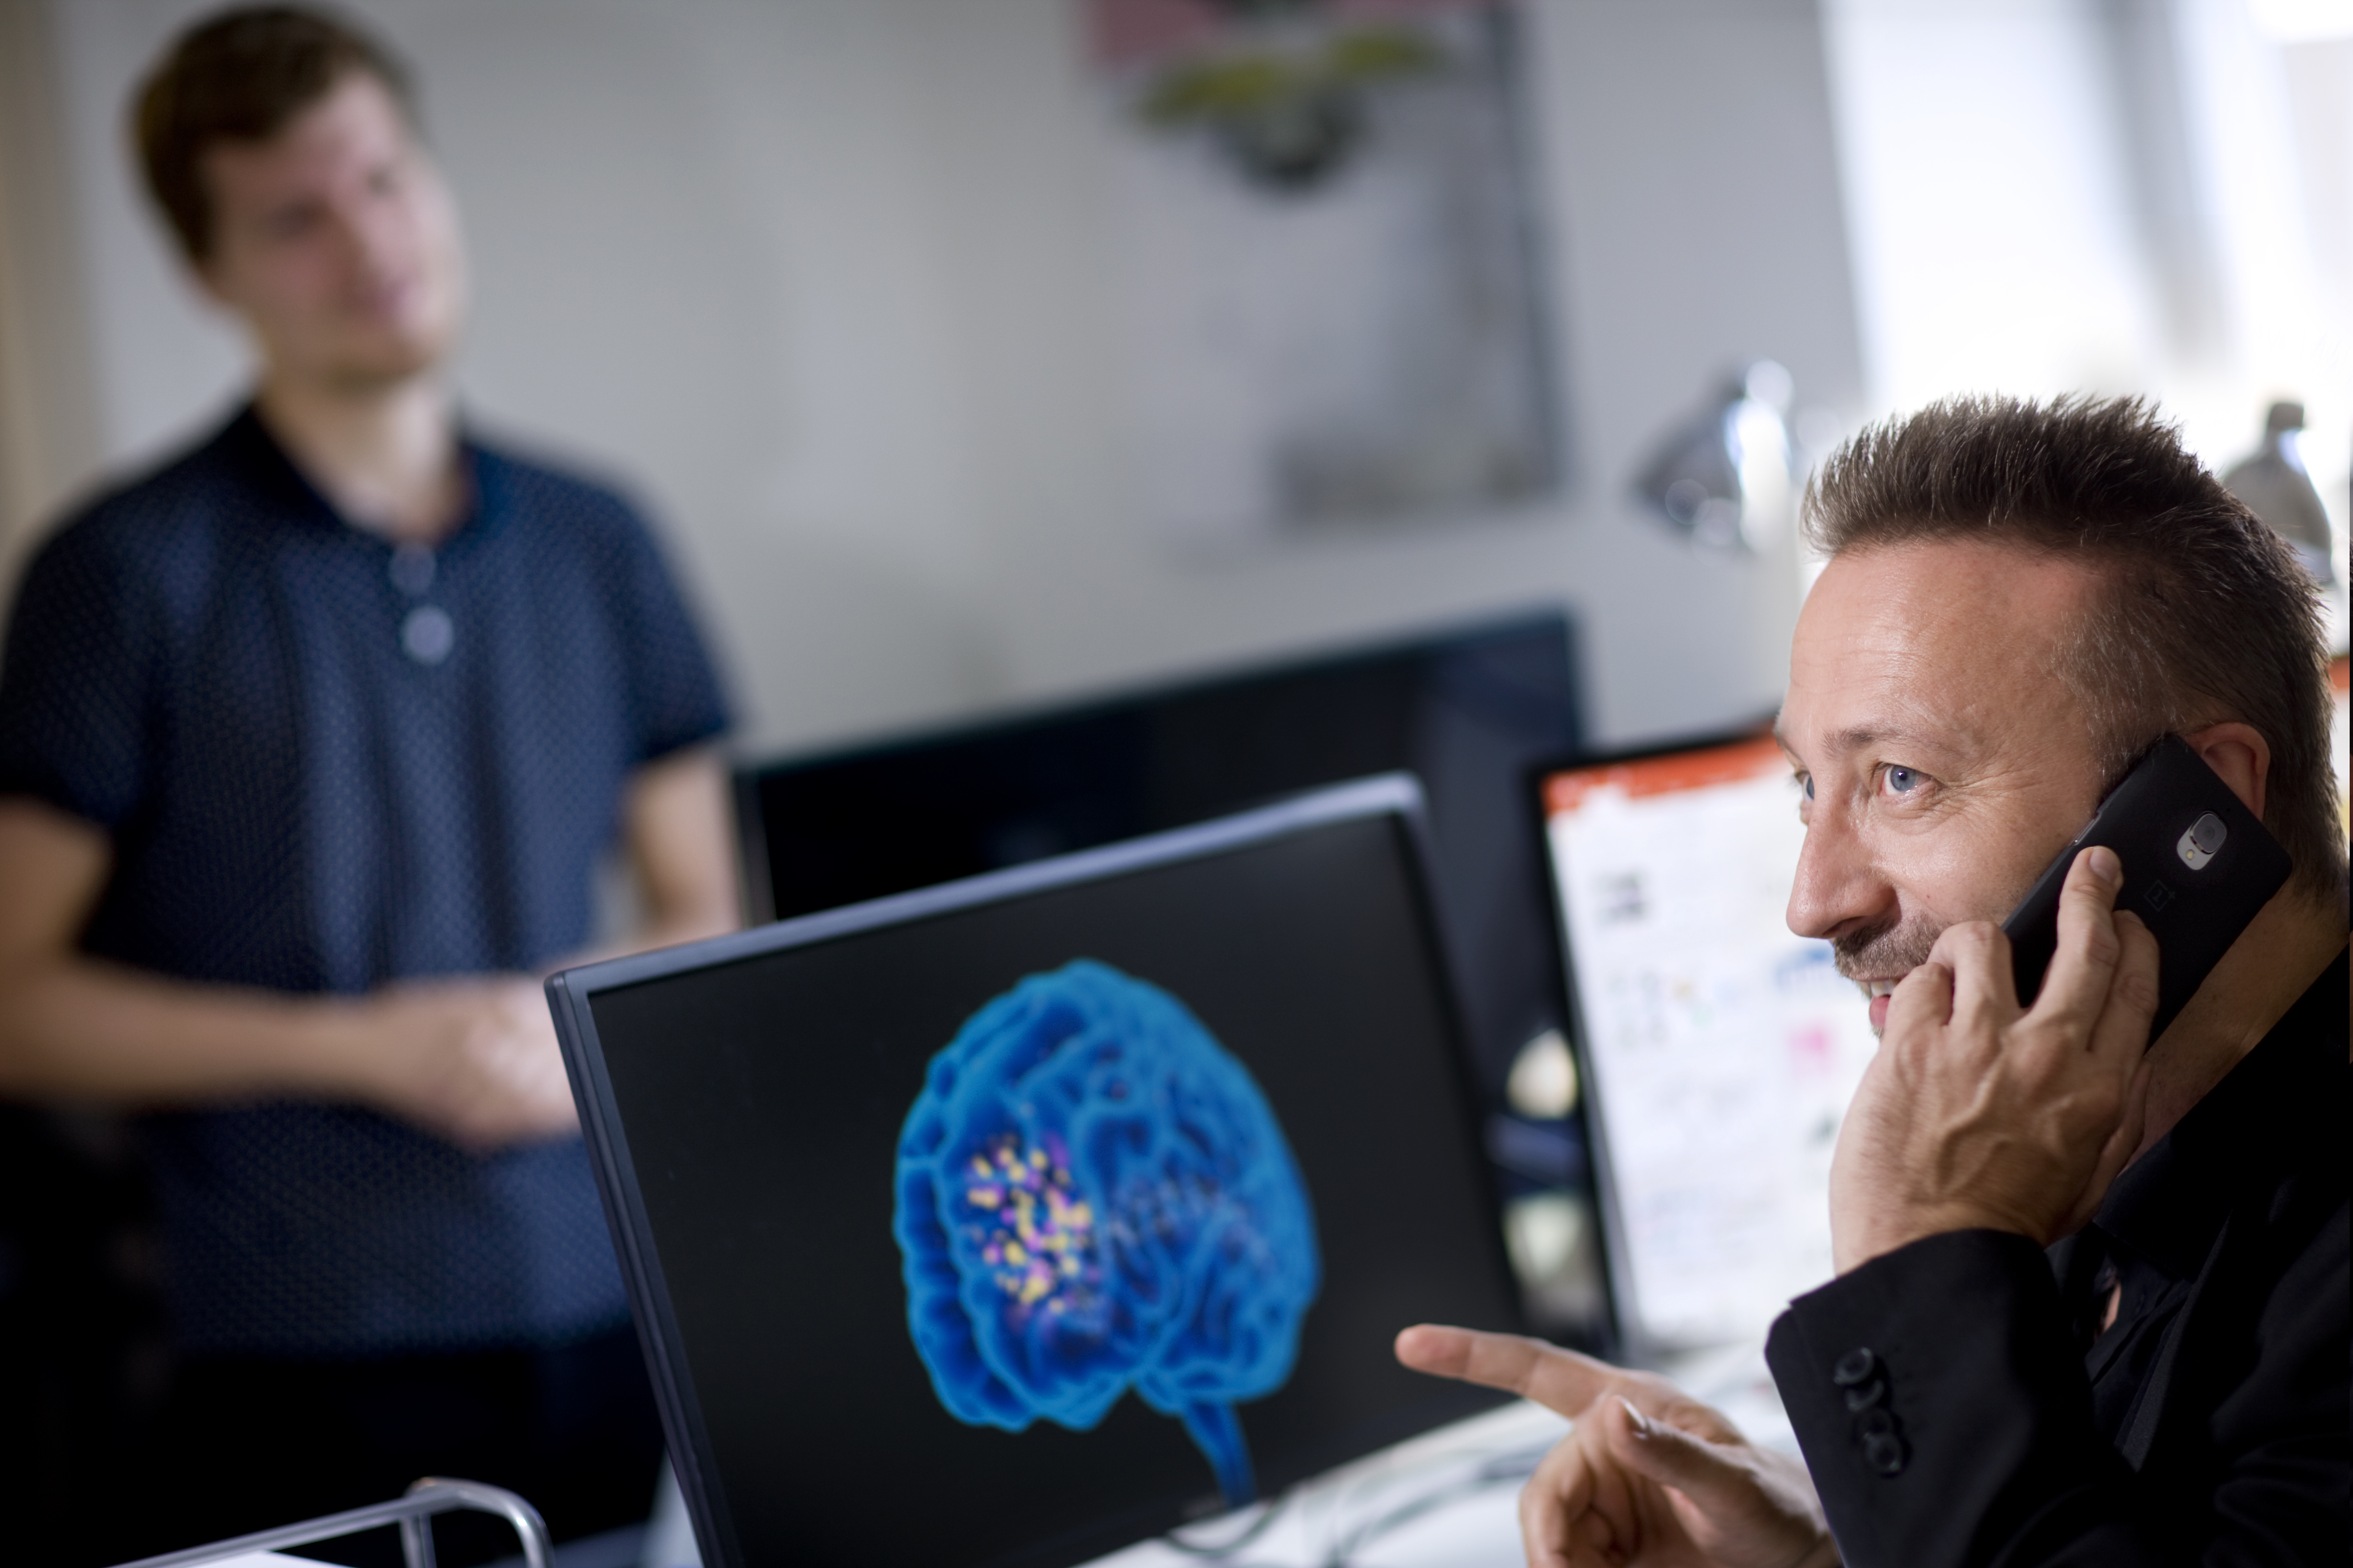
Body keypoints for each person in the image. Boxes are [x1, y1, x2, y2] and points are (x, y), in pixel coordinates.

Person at [0, 6, 737, 1553]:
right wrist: (360, 1047)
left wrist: (565, 1013)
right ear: (211, 272)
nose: (369, 244)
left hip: (620, 1303)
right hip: (293, 1345)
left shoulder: (600, 540)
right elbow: (17, 1001)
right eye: (294, 218)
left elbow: (702, 902)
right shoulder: (120, 577)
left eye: (387, 181)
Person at [1397, 394, 2349, 1566]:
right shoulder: (2098, 1130)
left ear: (2198, 814)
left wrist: (1918, 1254)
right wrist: (1829, 1555)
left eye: (1902, 779)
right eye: (1809, 783)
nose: (1814, 901)